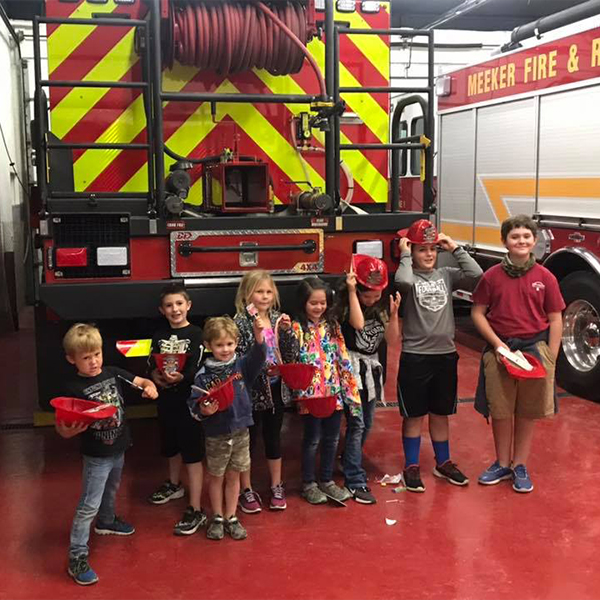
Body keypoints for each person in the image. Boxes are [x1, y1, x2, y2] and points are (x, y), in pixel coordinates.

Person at [58, 323, 158, 586]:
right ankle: (77, 556)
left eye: (97, 354)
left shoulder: (113, 373)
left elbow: (142, 381)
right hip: (96, 455)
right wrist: (68, 432)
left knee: (113, 489)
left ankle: (107, 520)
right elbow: (62, 425)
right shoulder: (73, 388)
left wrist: (150, 387)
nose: (93, 362)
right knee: (88, 504)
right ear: (72, 359)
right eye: (86, 357)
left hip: (119, 447)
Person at [471, 214, 564, 493]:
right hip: (501, 351)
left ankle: (519, 464)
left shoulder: (545, 277)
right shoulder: (491, 278)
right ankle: (502, 462)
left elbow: (556, 317)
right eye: (515, 237)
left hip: (534, 351)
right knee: (500, 409)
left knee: (526, 411)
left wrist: (552, 356)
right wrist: (498, 346)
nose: (521, 241)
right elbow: (478, 313)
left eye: (526, 236)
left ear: (534, 241)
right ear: (504, 241)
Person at [395, 219, 482, 493]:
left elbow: (476, 274)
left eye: (433, 249)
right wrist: (406, 254)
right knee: (414, 414)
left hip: (444, 355)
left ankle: (443, 462)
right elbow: (403, 281)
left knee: (441, 412)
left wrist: (454, 247)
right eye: (422, 249)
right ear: (412, 251)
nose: (429, 254)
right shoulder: (408, 276)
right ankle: (411, 465)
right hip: (416, 355)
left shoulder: (446, 274)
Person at [188, 316, 266, 541]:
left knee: (234, 476)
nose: (225, 349)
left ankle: (232, 516)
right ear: (208, 345)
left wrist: (259, 333)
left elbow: (259, 355)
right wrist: (204, 411)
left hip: (241, 430)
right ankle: (218, 517)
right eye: (220, 345)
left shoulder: (242, 365)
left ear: (236, 342)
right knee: (216, 476)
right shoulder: (203, 376)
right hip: (216, 434)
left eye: (230, 344)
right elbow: (194, 404)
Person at [335, 255, 401, 504]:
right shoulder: (346, 304)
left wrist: (393, 315)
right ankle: (354, 477)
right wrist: (353, 292)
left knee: (368, 422)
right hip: (351, 369)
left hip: (371, 369)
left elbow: (392, 340)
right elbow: (359, 324)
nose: (372, 300)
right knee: (357, 424)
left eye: (376, 296)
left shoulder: (381, 305)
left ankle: (347, 461)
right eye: (367, 296)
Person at [291, 276, 362, 505]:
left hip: (333, 394)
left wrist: (350, 391)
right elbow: (290, 360)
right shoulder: (295, 328)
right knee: (312, 440)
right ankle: (309, 483)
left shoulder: (332, 326)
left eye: (322, 303)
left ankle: (327, 480)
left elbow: (342, 357)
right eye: (313, 303)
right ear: (303, 303)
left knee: (331, 438)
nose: (319, 307)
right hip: (310, 397)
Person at [233, 270, 299, 513]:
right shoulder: (239, 322)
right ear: (247, 294)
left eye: (269, 291)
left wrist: (289, 332)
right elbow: (238, 359)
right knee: (247, 443)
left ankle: (276, 485)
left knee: (274, 438)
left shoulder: (280, 319)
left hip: (276, 390)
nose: (264, 296)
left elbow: (291, 355)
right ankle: (246, 488)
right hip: (250, 392)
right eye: (259, 291)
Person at [147, 283, 206, 536]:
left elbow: (199, 366)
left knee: (192, 453)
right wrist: (154, 376)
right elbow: (151, 361)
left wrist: (183, 378)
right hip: (166, 401)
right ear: (162, 310)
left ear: (188, 305)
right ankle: (174, 484)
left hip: (189, 402)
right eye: (169, 305)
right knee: (170, 446)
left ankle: (195, 507)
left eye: (179, 304)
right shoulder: (158, 336)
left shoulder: (197, 334)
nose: (175, 309)